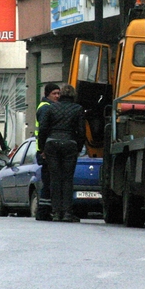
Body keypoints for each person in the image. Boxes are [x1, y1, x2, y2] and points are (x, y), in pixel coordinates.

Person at [37, 84, 86, 222]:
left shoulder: (51, 108)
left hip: (52, 144)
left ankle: (56, 213)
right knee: (67, 179)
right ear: (73, 95)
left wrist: (42, 149)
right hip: (70, 144)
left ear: (61, 95)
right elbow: (82, 132)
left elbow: (43, 129)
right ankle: (67, 213)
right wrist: (78, 148)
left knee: (55, 179)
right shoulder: (78, 109)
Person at [34, 83, 61, 220]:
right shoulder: (46, 108)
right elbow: (44, 130)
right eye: (54, 93)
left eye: (58, 93)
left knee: (49, 180)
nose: (57, 96)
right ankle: (43, 212)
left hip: (44, 149)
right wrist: (43, 150)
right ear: (47, 94)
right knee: (48, 181)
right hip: (45, 150)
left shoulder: (47, 106)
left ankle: (45, 210)